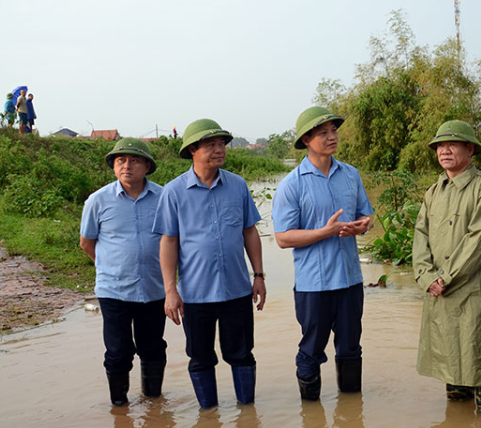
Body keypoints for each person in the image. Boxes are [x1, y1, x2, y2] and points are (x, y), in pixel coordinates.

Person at [153, 118, 267, 410]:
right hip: (196, 293)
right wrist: (170, 290)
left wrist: (259, 275)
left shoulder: (237, 186)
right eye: (211, 144)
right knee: (201, 356)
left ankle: (247, 414)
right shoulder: (174, 192)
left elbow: (249, 231)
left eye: (222, 144)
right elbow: (169, 242)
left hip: (237, 290)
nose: (219, 150)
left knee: (241, 354)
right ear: (192, 149)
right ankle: (209, 414)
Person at [272, 106, 374, 401]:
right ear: (306, 139)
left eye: (334, 131)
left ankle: (351, 415)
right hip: (313, 285)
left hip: (350, 279)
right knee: (311, 349)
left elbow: (365, 217)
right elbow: (282, 238)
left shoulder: (351, 175)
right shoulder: (292, 184)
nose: (332, 137)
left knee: (351, 347)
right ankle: (311, 415)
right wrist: (324, 232)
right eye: (323, 133)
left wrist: (361, 227)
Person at [413, 120, 481, 412]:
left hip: (470, 291)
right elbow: (420, 236)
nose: (444, 150)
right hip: (438, 290)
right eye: (440, 145)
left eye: (452, 144)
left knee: (477, 359)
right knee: (449, 362)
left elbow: (479, 240)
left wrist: (445, 277)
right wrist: (426, 277)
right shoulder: (434, 191)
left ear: (470, 149)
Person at [79, 138, 167, 406]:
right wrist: (111, 266)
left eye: (134, 160)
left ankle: (153, 403)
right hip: (113, 290)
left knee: (153, 349)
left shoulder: (164, 197)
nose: (126, 166)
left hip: (154, 287)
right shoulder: (98, 201)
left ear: (147, 166)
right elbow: (87, 243)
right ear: (113, 167)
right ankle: (119, 406)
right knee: (118, 352)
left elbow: (173, 239)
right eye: (120, 161)